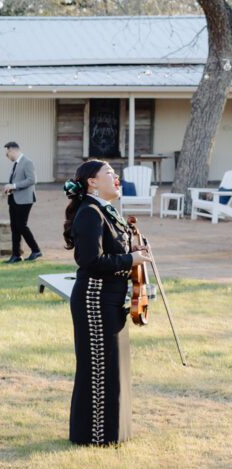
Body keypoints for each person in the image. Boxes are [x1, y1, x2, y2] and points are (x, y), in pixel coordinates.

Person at [63, 160, 151, 446]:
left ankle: (113, 433)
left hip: (111, 298)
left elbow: (111, 250)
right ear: (92, 182)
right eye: (110, 173)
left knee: (113, 367)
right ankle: (94, 437)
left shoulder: (104, 211)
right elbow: (90, 261)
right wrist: (130, 259)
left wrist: (132, 250)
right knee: (98, 368)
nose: (117, 178)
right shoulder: (89, 213)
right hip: (95, 299)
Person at [2, 142, 43, 264]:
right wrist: (9, 188)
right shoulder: (16, 163)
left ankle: (36, 250)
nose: (7, 155)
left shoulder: (27, 162)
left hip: (24, 200)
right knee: (14, 227)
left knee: (21, 226)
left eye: (7, 152)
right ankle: (16, 255)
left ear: (12, 150)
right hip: (14, 199)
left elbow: (32, 180)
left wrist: (14, 186)